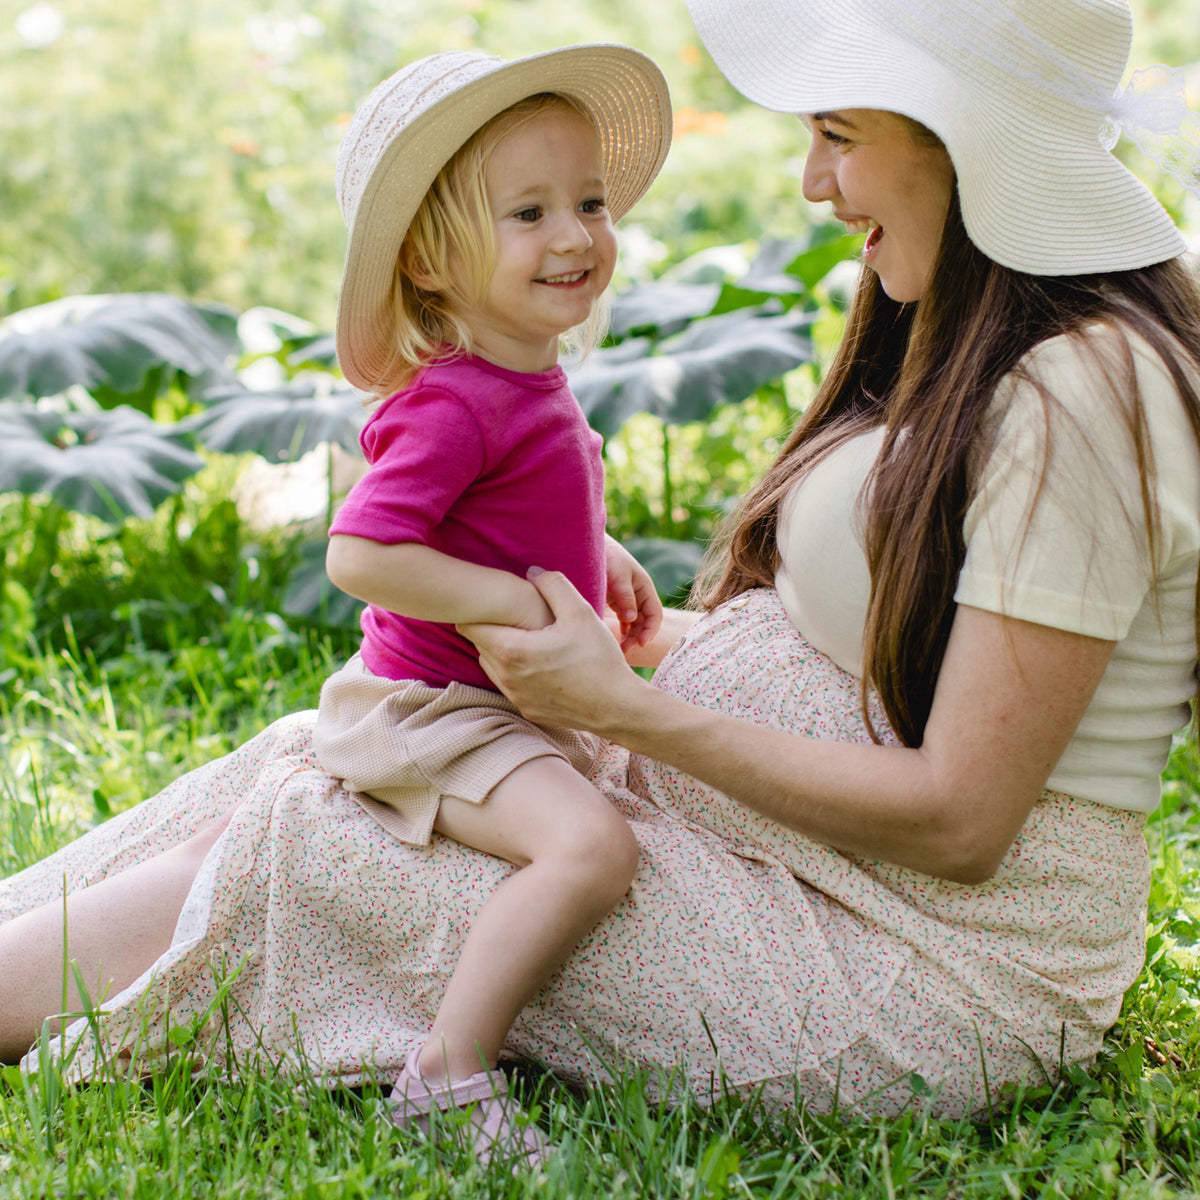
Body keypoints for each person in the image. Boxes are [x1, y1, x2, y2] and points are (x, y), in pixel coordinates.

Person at [0, 0, 1198, 1160]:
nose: (812, 185)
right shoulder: (982, 326)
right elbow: (913, 653)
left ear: (959, 138)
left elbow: (964, 819)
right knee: (314, 757)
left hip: (918, 963)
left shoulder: (1084, 396)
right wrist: (652, 646)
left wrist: (626, 713)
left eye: (838, 135)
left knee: (336, 841)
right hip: (808, 861)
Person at [307, 48, 667, 1160]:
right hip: (428, 710)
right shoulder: (457, 400)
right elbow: (364, 552)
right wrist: (516, 597)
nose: (574, 236)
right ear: (426, 259)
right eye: (528, 212)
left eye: (589, 203)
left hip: (493, 701)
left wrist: (596, 555)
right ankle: (446, 1073)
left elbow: (510, 500)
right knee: (592, 851)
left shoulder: (522, 370)